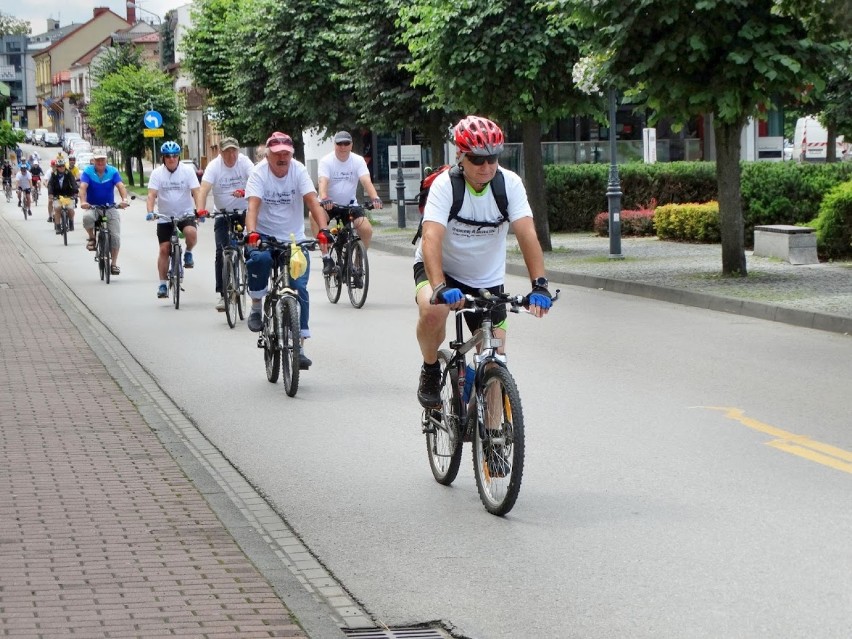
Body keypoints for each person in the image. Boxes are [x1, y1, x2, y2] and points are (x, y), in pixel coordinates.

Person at [413, 115, 553, 408]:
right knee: (432, 311)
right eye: (477, 160)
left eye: (492, 159)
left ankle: (494, 446)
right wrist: (438, 286)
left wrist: (539, 285)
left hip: (486, 279)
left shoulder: (509, 184)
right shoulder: (445, 186)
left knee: (494, 362)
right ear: (461, 157)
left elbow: (527, 234)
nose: (487, 167)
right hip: (441, 270)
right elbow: (431, 239)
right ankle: (430, 368)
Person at [244, 132, 331, 370]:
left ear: (291, 154)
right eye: (277, 154)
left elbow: (313, 202)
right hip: (263, 235)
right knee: (259, 260)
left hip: (294, 238)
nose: (282, 158)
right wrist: (252, 233)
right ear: (269, 155)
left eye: (286, 153)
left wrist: (323, 230)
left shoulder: (298, 170)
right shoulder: (259, 173)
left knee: (299, 287)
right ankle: (256, 305)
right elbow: (252, 207)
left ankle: (299, 346)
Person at [197, 136, 255, 311]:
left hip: (245, 212)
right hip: (222, 213)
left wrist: (245, 191)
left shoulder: (245, 163)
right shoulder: (214, 166)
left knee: (253, 246)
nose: (231, 155)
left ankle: (254, 286)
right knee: (221, 252)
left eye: (234, 151)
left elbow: (257, 183)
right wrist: (200, 209)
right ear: (220, 153)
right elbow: (203, 189)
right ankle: (222, 294)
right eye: (227, 151)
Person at [316, 130, 382, 275]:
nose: (343, 146)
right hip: (329, 204)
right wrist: (324, 197)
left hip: (350, 204)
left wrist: (375, 198)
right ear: (335, 145)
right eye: (339, 143)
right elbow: (323, 182)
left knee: (366, 229)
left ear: (351, 145)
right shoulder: (326, 161)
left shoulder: (357, 160)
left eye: (346, 143)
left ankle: (358, 261)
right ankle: (326, 257)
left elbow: (366, 180)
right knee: (314, 216)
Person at [146, 140, 204, 298]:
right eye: (168, 156)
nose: (171, 158)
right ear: (163, 158)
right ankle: (163, 284)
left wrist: (199, 211)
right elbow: (151, 194)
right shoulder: (157, 173)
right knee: (164, 249)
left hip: (185, 214)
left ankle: (188, 252)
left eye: (174, 156)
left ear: (178, 157)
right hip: (165, 216)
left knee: (191, 233)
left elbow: (196, 192)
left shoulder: (187, 171)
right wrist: (150, 211)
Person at [79, 152, 131, 274]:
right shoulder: (88, 171)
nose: (100, 163)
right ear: (93, 161)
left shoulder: (112, 171)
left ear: (106, 160)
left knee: (116, 237)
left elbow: (121, 186)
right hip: (93, 207)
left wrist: (124, 200)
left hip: (110, 207)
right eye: (98, 160)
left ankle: (113, 264)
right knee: (87, 218)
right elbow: (83, 187)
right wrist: (83, 202)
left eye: (102, 160)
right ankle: (92, 238)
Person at [47, 157, 78, 234]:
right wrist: (50, 194)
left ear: (65, 166)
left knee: (70, 209)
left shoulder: (69, 173)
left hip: (68, 194)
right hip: (57, 195)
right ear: (57, 167)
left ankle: (71, 222)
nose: (61, 168)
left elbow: (73, 183)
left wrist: (75, 192)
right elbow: (50, 184)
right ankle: (58, 226)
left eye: (63, 166)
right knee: (57, 209)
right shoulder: (54, 174)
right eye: (59, 166)